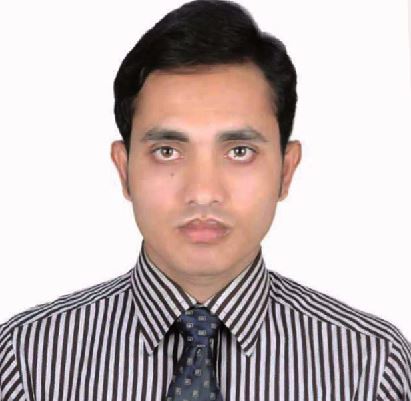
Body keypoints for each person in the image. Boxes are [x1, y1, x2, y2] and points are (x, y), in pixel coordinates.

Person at [0, 0, 410, 400]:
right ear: (124, 170)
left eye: (239, 152)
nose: (202, 192)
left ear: (286, 170)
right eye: (167, 151)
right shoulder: (28, 361)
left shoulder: (371, 368)